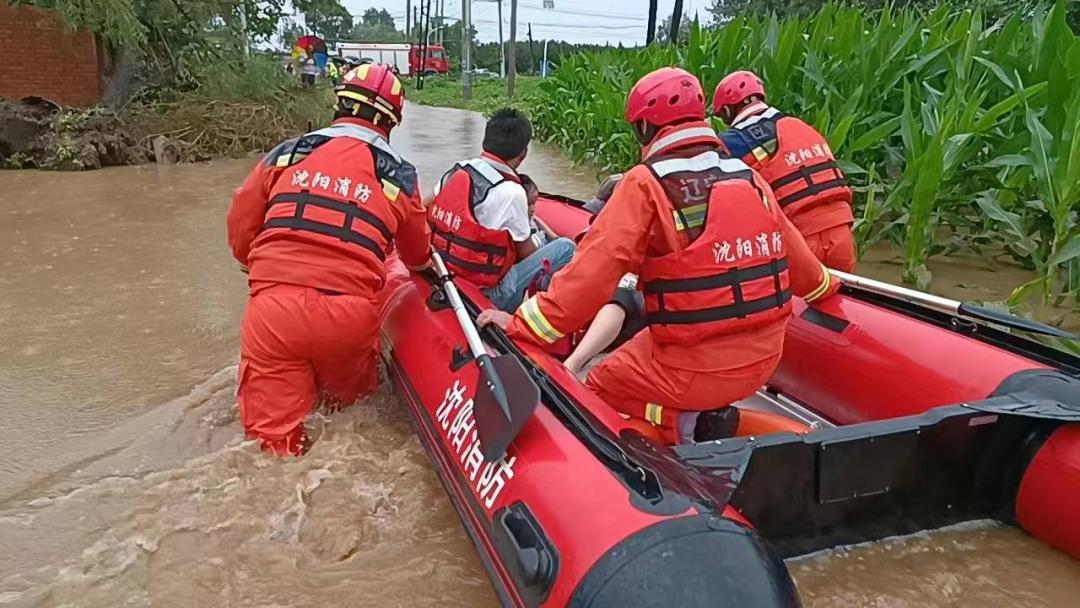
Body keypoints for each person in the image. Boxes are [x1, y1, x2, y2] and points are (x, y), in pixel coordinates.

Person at [478, 67, 837, 444]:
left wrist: (520, 325)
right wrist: (830, 286)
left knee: (601, 382)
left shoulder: (645, 183)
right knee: (643, 349)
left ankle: (671, 432)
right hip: (765, 360)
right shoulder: (750, 177)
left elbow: (587, 279)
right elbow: (805, 271)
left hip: (692, 366)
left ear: (645, 129)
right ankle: (703, 421)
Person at [226, 64, 430, 456]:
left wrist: (257, 267)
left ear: (338, 105)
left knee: (272, 446)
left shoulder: (288, 153)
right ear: (392, 122)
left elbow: (241, 221)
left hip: (274, 314)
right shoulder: (400, 176)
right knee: (348, 424)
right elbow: (417, 253)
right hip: (349, 316)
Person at [429, 109, 575, 312]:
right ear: (523, 154)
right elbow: (527, 253)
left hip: (448, 272)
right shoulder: (512, 192)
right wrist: (543, 238)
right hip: (489, 294)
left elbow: (427, 205)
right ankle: (550, 309)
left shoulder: (459, 169)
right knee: (566, 247)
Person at [712, 70, 856, 272]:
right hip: (842, 233)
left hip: (800, 240)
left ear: (727, 112)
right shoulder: (801, 126)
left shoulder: (733, 140)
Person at [520, 174, 558, 246]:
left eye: (534, 203)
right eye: (528, 204)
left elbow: (553, 237)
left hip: (543, 245)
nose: (532, 209)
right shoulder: (518, 225)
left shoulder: (532, 218)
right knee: (566, 245)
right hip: (537, 252)